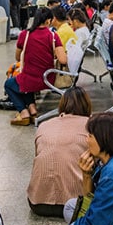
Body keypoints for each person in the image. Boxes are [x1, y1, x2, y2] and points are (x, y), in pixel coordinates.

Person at [28, 87, 91, 217]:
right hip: (77, 204)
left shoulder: (44, 125)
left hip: (37, 204)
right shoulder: (91, 125)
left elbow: (37, 156)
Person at [5, 7, 67, 126]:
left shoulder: (24, 35)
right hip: (47, 79)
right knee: (26, 81)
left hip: (30, 79)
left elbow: (18, 57)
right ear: (48, 21)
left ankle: (23, 112)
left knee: (9, 84)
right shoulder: (53, 36)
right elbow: (63, 60)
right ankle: (33, 109)